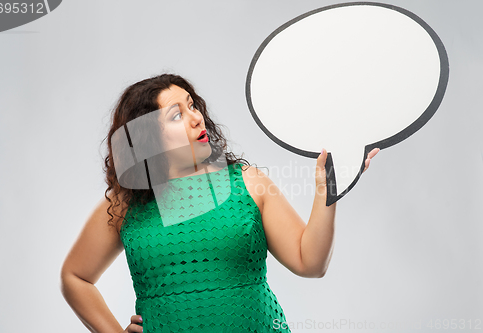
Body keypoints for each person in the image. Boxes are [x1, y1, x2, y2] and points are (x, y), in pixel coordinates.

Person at [60, 74, 380, 332]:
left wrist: (327, 191)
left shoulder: (248, 183)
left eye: (192, 105)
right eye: (176, 115)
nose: (196, 118)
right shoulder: (125, 205)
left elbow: (310, 262)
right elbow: (75, 277)